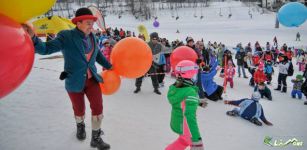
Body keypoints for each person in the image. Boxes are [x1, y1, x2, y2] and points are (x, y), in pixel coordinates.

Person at [22, 8, 112, 150]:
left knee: (98, 107)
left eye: (92, 23)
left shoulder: (92, 37)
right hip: (74, 81)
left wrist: (110, 67)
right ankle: (80, 126)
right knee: (79, 108)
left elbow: (98, 55)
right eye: (88, 23)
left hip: (92, 79)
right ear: (78, 23)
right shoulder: (66, 36)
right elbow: (45, 49)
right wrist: (33, 37)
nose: (91, 26)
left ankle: (96, 137)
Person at [167, 60, 207, 150]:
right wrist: (196, 139)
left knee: (183, 141)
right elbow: (190, 116)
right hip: (186, 125)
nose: (195, 76)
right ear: (190, 75)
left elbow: (182, 99)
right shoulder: (190, 91)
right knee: (186, 141)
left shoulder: (176, 85)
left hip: (177, 121)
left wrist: (196, 101)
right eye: (194, 74)